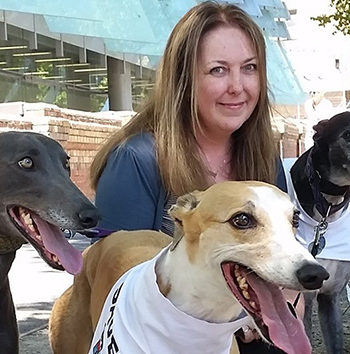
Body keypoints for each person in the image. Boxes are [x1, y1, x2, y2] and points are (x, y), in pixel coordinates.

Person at [89, 2, 288, 353]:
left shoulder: (264, 158)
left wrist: (285, 296)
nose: (237, 86)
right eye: (218, 70)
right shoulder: (135, 161)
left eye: (250, 68)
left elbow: (284, 247)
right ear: (184, 78)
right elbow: (111, 282)